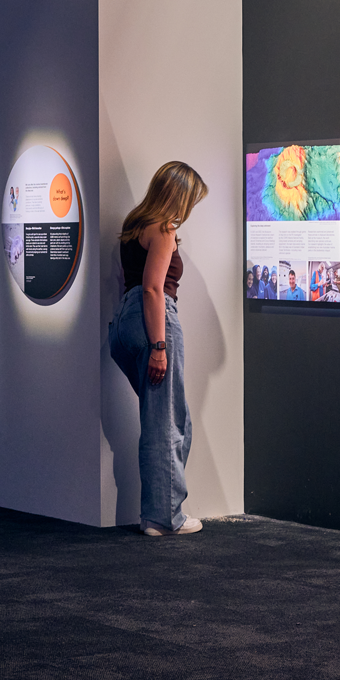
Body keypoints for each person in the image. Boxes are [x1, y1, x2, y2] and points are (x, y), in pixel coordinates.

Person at [108, 162, 209, 536]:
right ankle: (163, 517)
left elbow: (133, 285)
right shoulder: (164, 230)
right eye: (190, 200)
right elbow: (152, 289)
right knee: (167, 423)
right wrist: (160, 346)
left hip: (122, 323)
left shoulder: (134, 225)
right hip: (154, 319)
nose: (188, 210)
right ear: (178, 196)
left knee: (164, 417)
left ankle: (158, 512)